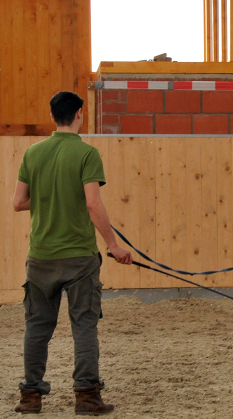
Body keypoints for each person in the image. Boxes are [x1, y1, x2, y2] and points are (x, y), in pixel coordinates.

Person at [12, 91, 132, 415]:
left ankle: (30, 397)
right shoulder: (86, 153)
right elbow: (93, 203)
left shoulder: (32, 154)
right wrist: (113, 245)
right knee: (83, 326)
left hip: (40, 257)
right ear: (80, 113)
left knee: (37, 327)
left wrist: (52, 196)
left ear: (53, 117)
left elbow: (18, 202)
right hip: (79, 258)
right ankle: (87, 396)